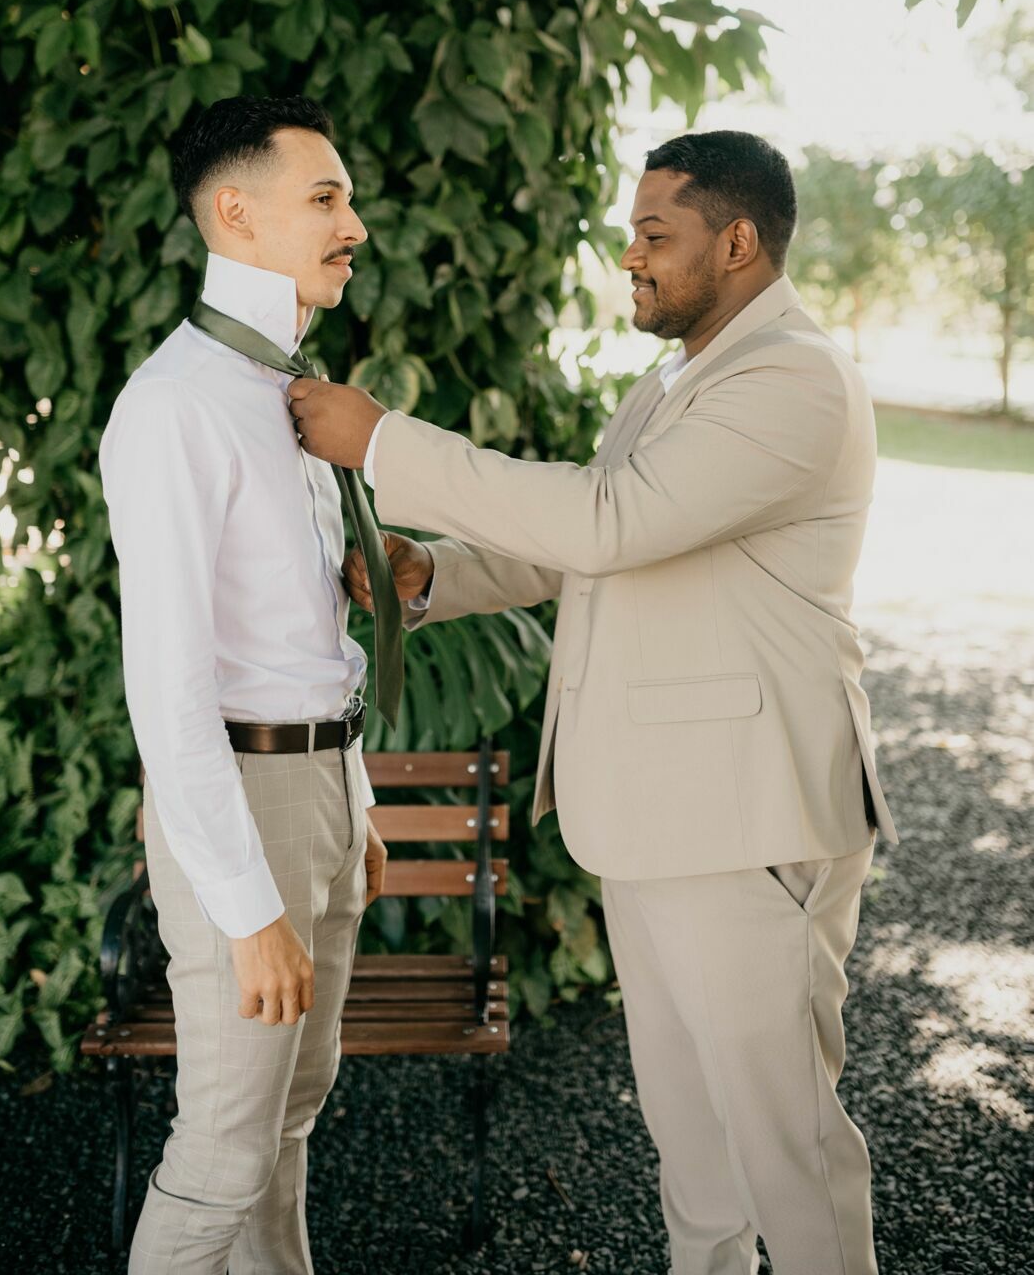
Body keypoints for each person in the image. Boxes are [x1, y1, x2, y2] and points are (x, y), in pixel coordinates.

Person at [288, 129, 898, 1275]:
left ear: (737, 240)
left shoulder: (795, 377)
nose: (630, 254)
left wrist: (383, 442)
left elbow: (608, 520)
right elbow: (605, 545)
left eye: (654, 234)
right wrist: (436, 575)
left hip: (747, 819)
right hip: (662, 815)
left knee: (788, 1143)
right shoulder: (683, 376)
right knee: (692, 1141)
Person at [99, 95, 404, 1274]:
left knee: (290, 1118)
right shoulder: (176, 406)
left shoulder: (285, 391)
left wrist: (358, 796)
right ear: (236, 212)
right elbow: (167, 686)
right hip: (238, 807)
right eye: (326, 198)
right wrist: (244, 904)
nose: (356, 226)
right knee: (225, 1149)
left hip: (319, 794)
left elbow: (301, 632)